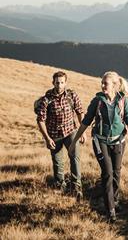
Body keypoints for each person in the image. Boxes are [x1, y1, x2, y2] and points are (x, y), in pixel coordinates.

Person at [70, 71, 128, 222]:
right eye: (102, 82)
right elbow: (85, 122)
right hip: (100, 142)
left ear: (115, 85)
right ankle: (110, 210)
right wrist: (74, 142)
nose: (103, 85)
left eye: (106, 83)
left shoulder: (122, 101)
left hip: (119, 141)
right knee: (107, 173)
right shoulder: (97, 101)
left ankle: (115, 200)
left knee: (117, 173)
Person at [35, 71, 86, 199]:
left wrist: (83, 132)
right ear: (53, 83)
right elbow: (40, 120)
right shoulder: (46, 100)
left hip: (71, 132)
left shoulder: (72, 95)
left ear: (65, 83)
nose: (59, 85)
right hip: (54, 135)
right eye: (57, 82)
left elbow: (80, 112)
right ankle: (60, 186)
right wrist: (47, 138)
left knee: (75, 158)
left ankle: (76, 187)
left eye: (62, 82)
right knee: (58, 162)